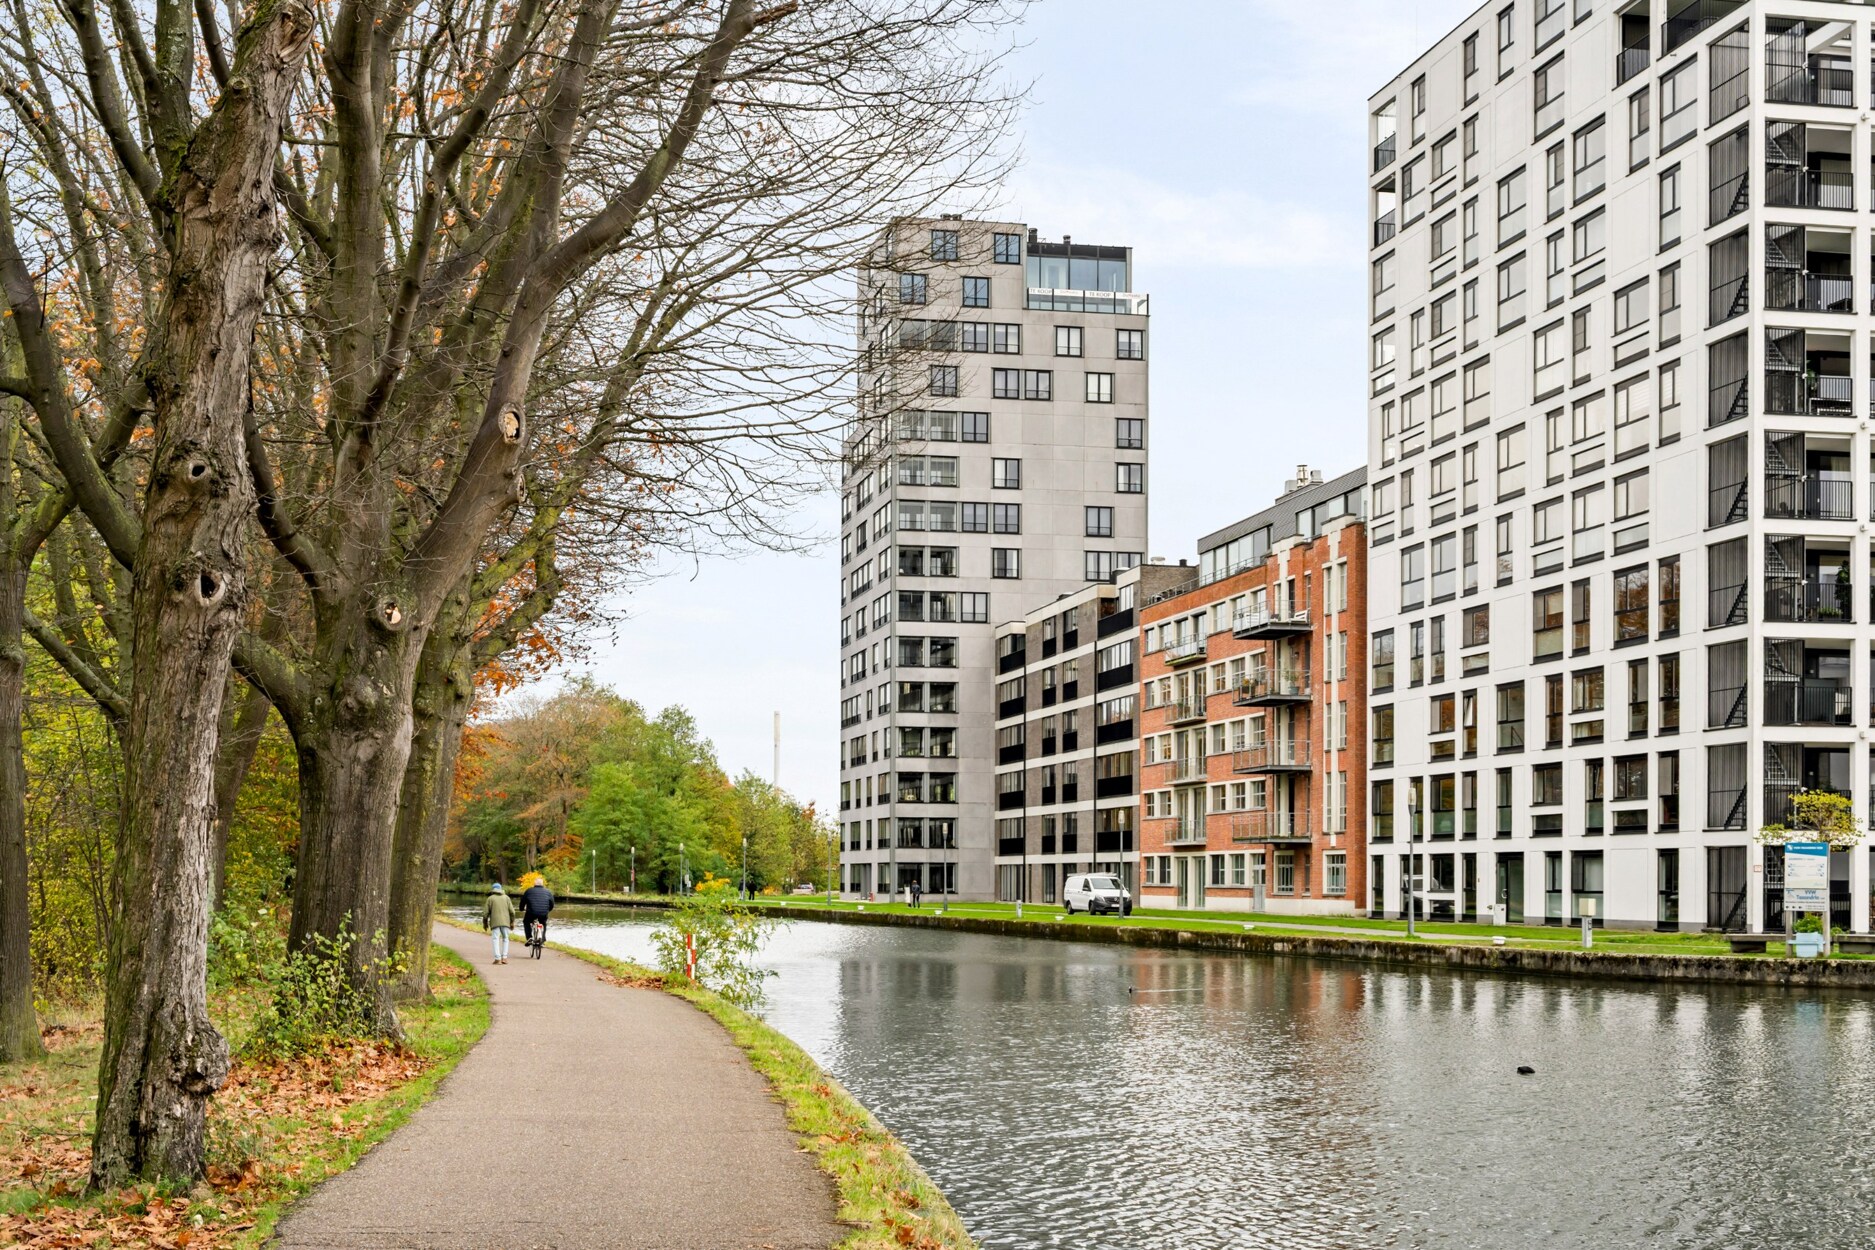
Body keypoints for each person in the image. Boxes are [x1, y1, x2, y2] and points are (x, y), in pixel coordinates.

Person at [483, 883, 515, 964]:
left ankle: (497, 958)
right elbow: (512, 912)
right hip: (506, 922)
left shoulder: (490, 899)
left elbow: (485, 913)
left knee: (495, 939)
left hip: (495, 923)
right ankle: (504, 958)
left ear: (493, 890)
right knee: (505, 939)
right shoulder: (507, 898)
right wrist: (512, 922)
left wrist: (485, 923)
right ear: (501, 889)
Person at [520, 877, 555, 948]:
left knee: (526, 922)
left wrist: (521, 909)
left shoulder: (529, 891)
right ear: (542, 884)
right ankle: (542, 940)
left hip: (531, 913)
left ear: (534, 884)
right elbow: (552, 903)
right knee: (543, 923)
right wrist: (548, 910)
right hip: (543, 913)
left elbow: (523, 902)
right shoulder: (548, 892)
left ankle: (529, 937)